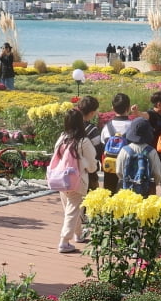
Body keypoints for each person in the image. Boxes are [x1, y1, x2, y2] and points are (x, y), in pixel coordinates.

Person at [51, 109, 98, 253]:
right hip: (77, 181)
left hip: (61, 179)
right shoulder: (83, 141)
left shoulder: (62, 138)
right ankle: (64, 242)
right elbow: (91, 166)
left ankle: (78, 234)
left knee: (71, 209)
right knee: (72, 210)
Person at [99, 93, 130, 194]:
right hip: (127, 168)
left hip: (110, 169)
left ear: (112, 107)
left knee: (109, 197)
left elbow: (102, 148)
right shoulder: (133, 127)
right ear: (128, 108)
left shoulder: (106, 127)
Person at [75, 96, 103, 195]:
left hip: (71, 170)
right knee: (90, 202)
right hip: (88, 172)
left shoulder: (70, 127)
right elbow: (98, 150)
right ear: (91, 113)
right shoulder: (92, 130)